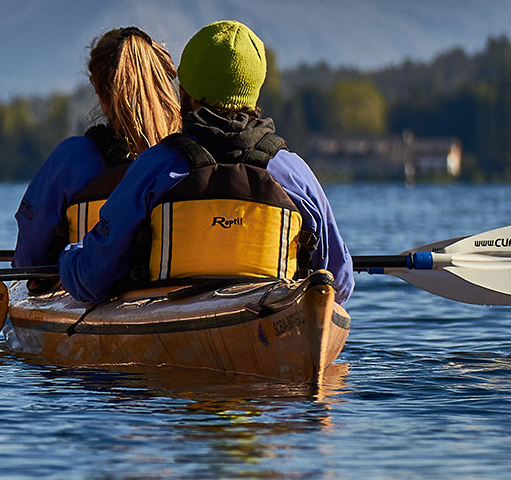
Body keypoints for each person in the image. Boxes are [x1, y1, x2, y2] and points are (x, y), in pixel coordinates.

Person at [58, 20, 354, 303]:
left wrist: (69, 257)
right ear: (253, 93)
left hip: (170, 325)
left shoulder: (155, 167)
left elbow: (91, 278)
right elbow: (339, 283)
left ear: (184, 93)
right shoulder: (294, 172)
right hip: (270, 320)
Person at [13, 27, 181, 275]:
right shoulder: (184, 155)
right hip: (170, 290)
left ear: (102, 92)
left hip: (87, 290)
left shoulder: (71, 159)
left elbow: (27, 261)